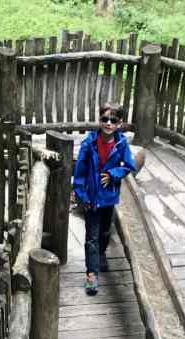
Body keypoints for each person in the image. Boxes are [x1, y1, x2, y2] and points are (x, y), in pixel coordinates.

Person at [72, 102, 137, 296]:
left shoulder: (121, 143)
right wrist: (80, 194)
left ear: (119, 124)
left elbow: (129, 165)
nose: (108, 123)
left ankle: (100, 254)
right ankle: (91, 274)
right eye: (105, 119)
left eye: (113, 120)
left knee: (105, 231)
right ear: (99, 120)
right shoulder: (89, 143)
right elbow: (80, 171)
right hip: (91, 197)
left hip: (108, 198)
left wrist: (114, 173)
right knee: (91, 236)